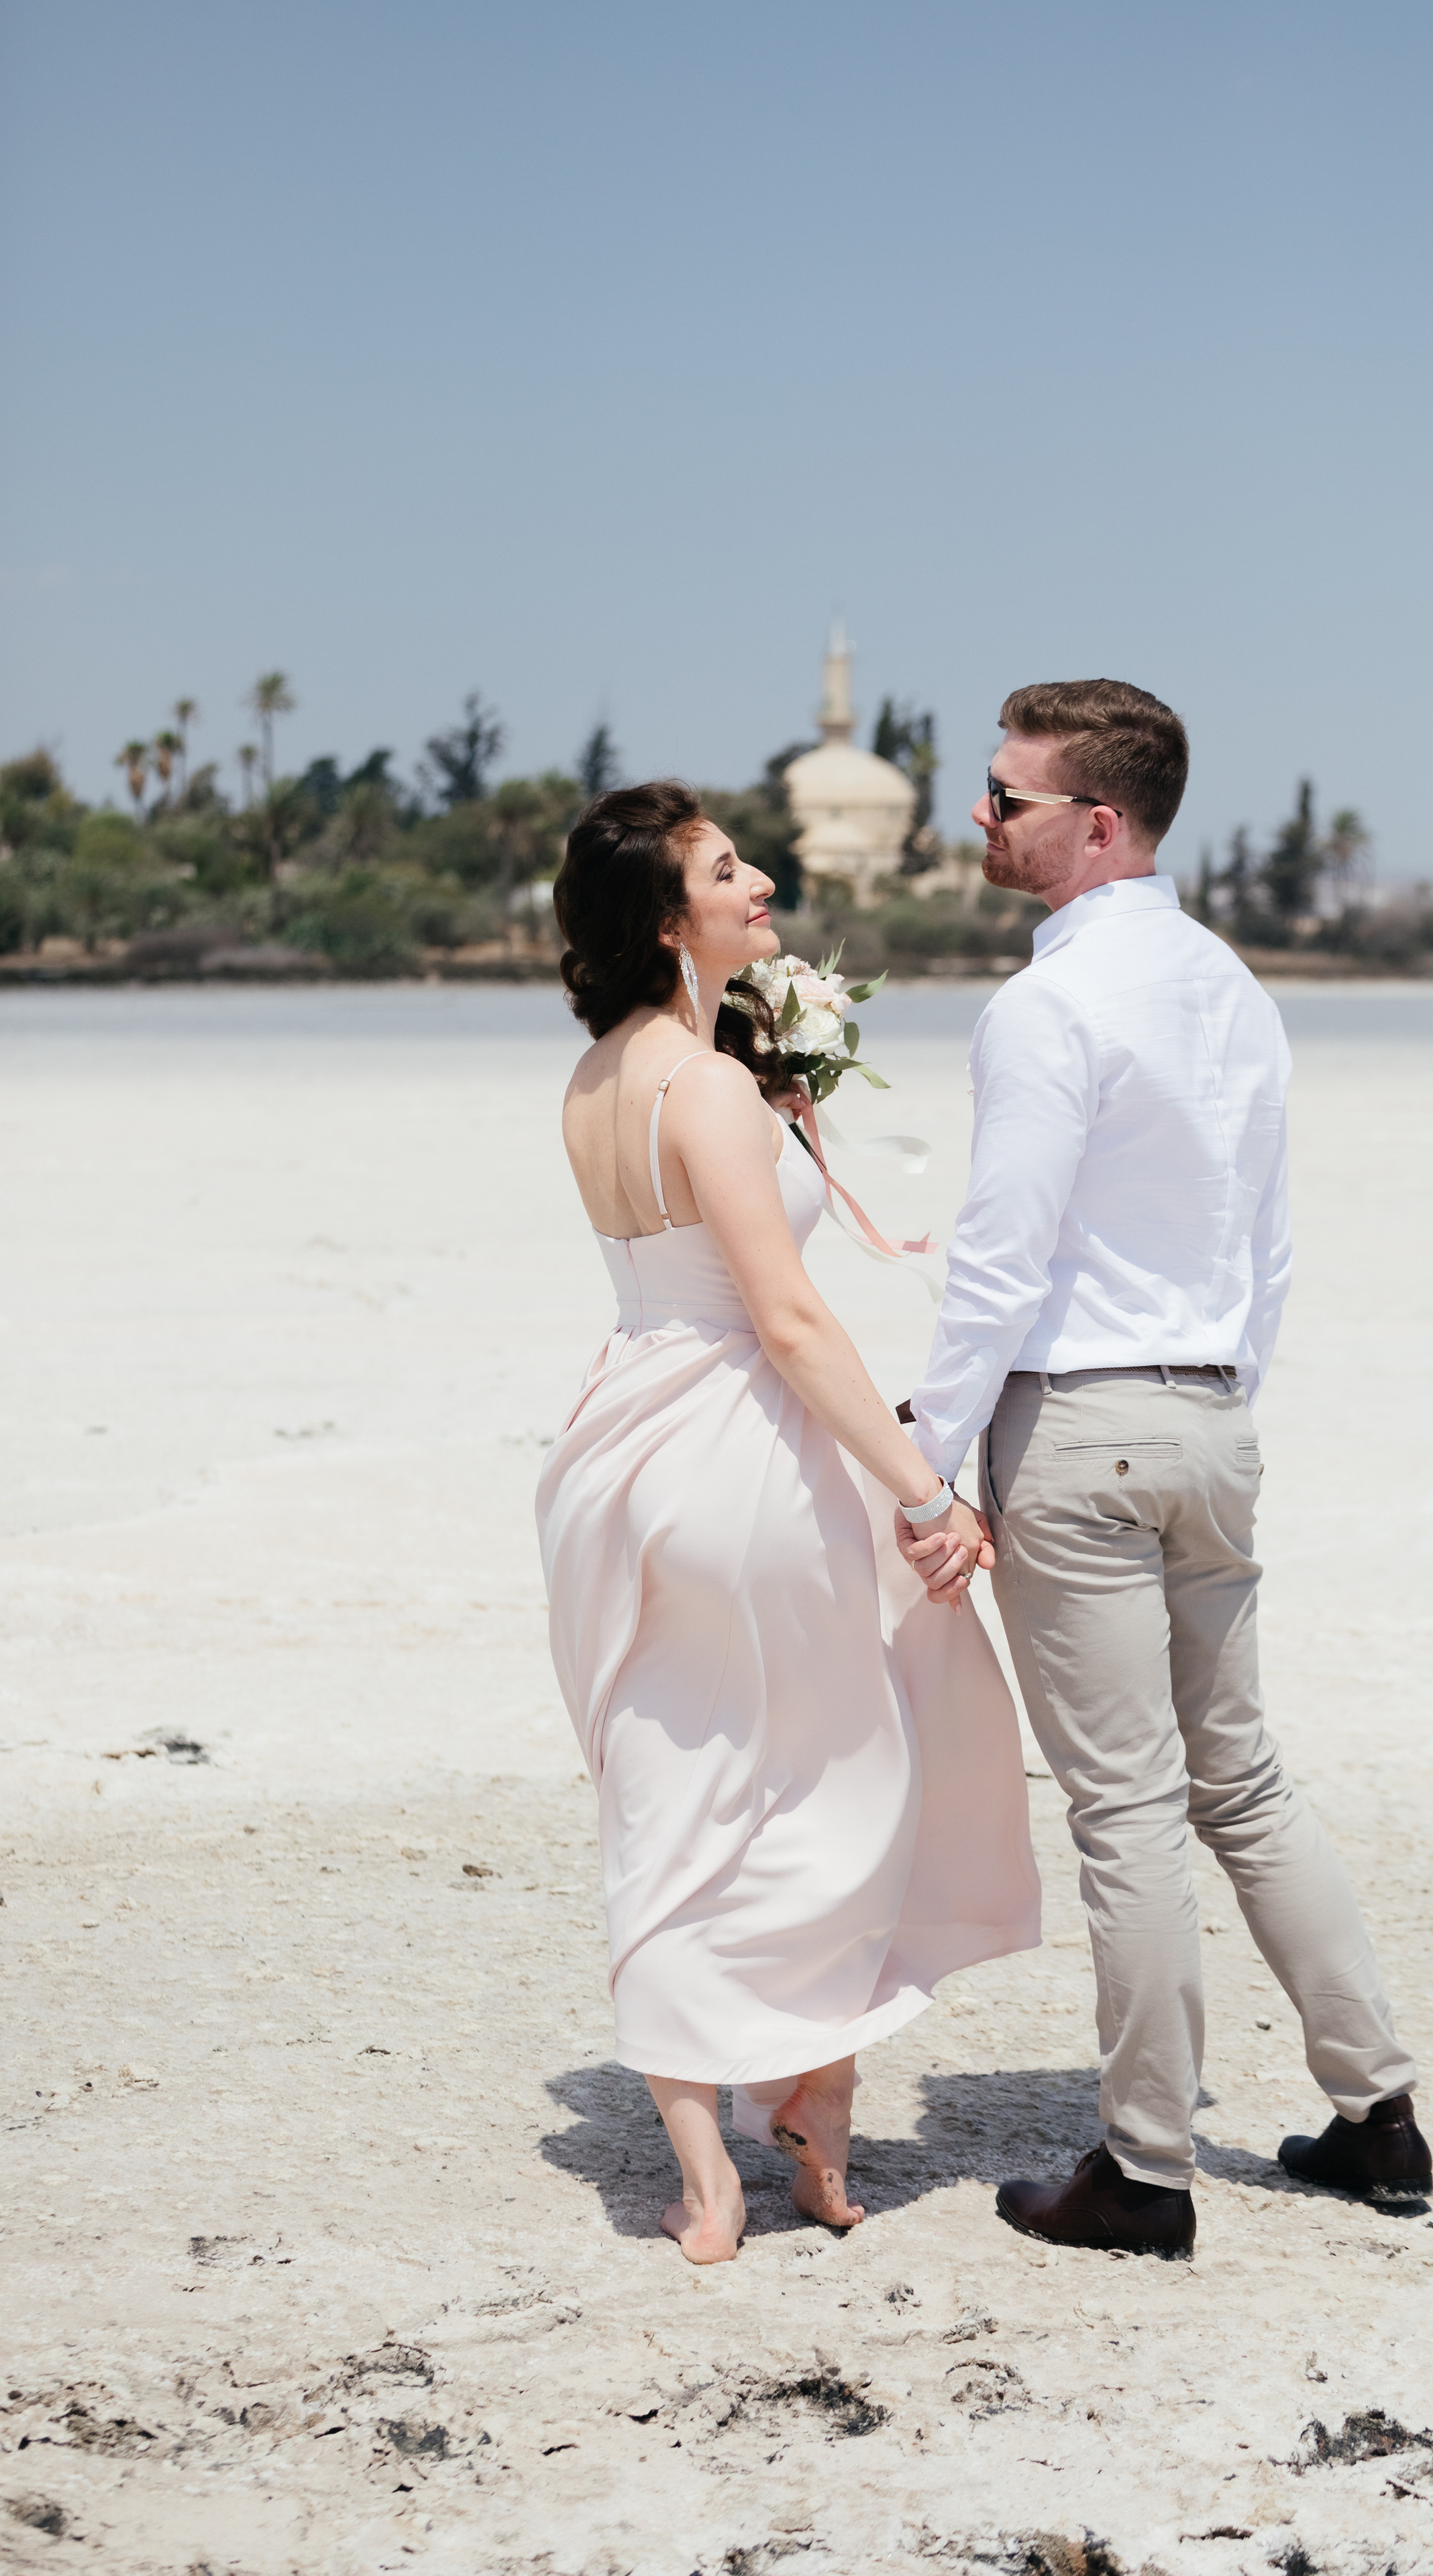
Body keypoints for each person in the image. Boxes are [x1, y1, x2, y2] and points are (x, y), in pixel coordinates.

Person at [897, 681, 1431, 2259]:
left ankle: (1142, 2171)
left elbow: (1000, 1254)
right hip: (1209, 1415)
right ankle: (1376, 2112)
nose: (980, 820)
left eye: (1005, 799)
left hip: (1080, 1425)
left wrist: (931, 1458)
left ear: (1095, 825)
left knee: (1127, 1806)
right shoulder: (1231, 990)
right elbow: (1265, 1244)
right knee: (1241, 1778)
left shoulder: (1046, 1007)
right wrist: (1223, 1394)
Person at [536, 781, 1041, 2265]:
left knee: (672, 1780)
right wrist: (925, 1491)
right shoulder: (703, 1092)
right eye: (723, 868)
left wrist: (778, 1098)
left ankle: (712, 2164)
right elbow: (790, 1321)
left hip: (621, 1442)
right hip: (743, 1454)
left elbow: (675, 1277)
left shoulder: (597, 1082)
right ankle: (812, 2078)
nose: (758, 880)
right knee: (854, 1762)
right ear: (665, 919)